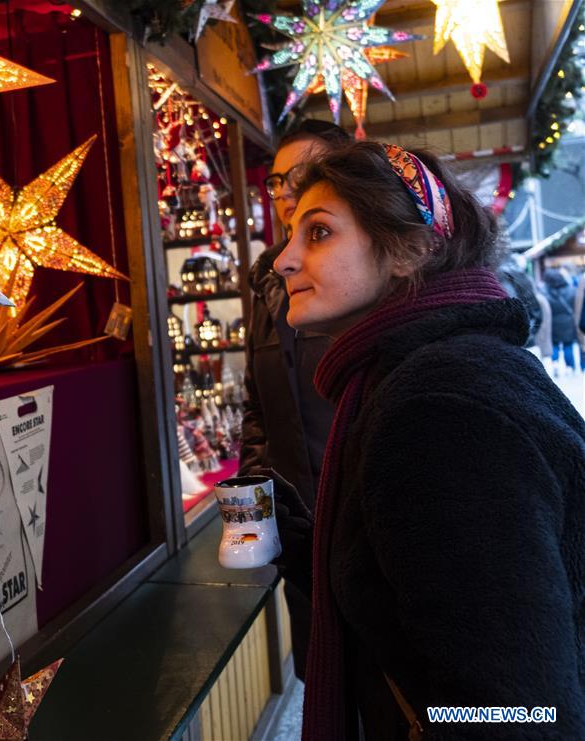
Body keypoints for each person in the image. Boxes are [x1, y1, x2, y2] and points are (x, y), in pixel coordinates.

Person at [270, 141, 585, 739]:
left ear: (409, 250)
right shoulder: (434, 373)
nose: (283, 260)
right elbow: (430, 607)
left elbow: (514, 712)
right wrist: (311, 549)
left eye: (317, 233)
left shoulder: (436, 407)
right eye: (291, 233)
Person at [239, 119, 349, 682]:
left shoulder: (361, 284)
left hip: (363, 530)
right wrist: (255, 512)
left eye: (300, 177)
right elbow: (258, 410)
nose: (284, 192)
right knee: (322, 682)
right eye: (277, 180)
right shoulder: (267, 289)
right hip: (302, 541)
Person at [543, 267, 579, 373]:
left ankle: (555, 364)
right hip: (568, 322)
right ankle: (569, 367)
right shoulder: (571, 290)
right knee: (568, 345)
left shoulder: (546, 293)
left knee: (555, 345)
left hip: (553, 324)